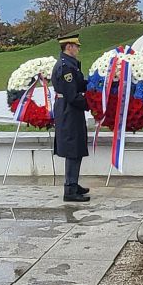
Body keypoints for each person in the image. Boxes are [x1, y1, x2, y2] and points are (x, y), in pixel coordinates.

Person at [51, 32, 90, 202]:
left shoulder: (70, 64)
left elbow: (80, 84)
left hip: (71, 110)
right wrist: (92, 104)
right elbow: (72, 95)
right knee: (72, 148)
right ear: (69, 47)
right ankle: (70, 189)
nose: (78, 49)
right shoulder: (65, 67)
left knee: (76, 147)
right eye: (76, 46)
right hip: (68, 110)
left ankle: (73, 183)